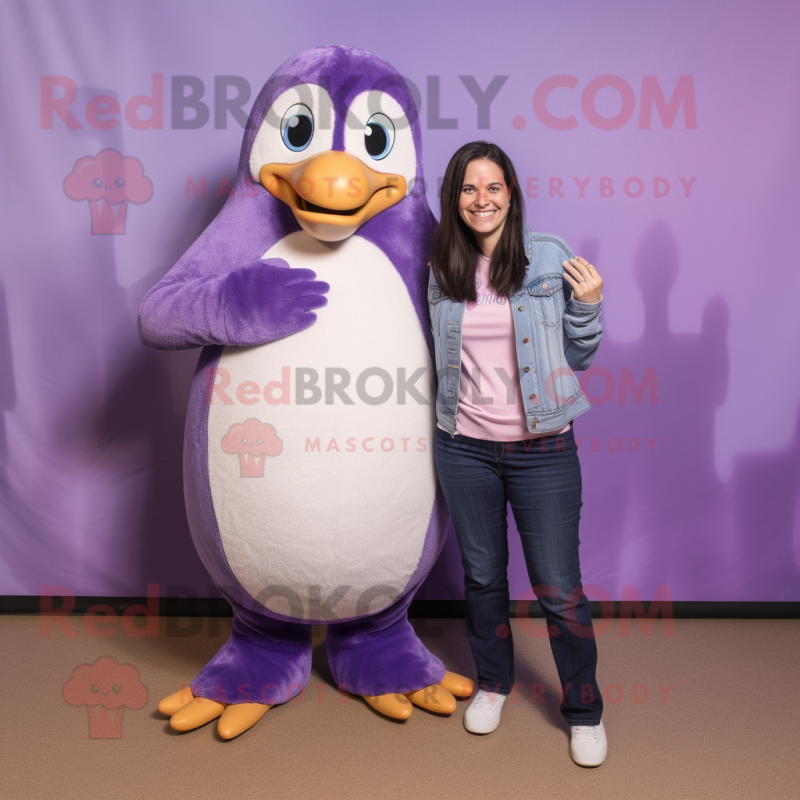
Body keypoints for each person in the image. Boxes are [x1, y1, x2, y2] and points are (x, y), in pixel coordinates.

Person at [428, 141, 606, 767]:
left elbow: (577, 358)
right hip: (464, 448)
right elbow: (437, 358)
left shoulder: (547, 257)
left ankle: (584, 710)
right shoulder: (441, 268)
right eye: (468, 189)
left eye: (493, 187)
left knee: (559, 590)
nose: (482, 199)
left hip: (544, 447)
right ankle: (495, 683)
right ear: (455, 198)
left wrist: (587, 308)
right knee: (482, 579)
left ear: (511, 193)